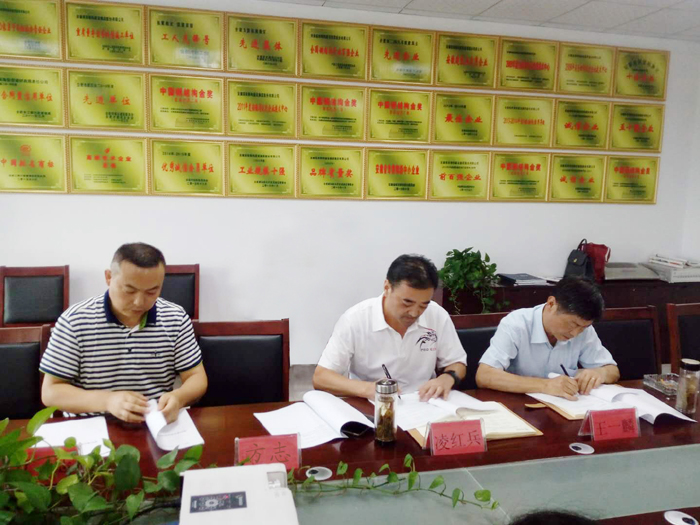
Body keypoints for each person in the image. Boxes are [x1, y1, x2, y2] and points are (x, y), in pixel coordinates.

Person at [40, 243, 208, 424]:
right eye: (129, 290)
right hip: (91, 425)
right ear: (108, 277)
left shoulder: (175, 318)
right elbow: (51, 392)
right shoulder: (75, 321)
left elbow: (196, 377)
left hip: (154, 424)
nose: (139, 302)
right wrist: (108, 401)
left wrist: (179, 397)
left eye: (152, 292)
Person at [313, 254, 467, 401]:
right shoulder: (356, 319)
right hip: (371, 404)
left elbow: (457, 362)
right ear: (387, 287)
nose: (414, 313)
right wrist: (366, 389)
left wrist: (447, 378)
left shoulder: (437, 315)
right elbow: (321, 377)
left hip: (423, 402)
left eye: (423, 305)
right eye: (407, 302)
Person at [476, 276, 619, 400]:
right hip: (519, 406)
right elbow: (484, 375)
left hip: (565, 408)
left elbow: (612, 370)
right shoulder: (516, 324)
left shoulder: (584, 330)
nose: (575, 333)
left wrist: (599, 373)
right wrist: (545, 385)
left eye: (583, 327)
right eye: (573, 324)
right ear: (551, 304)